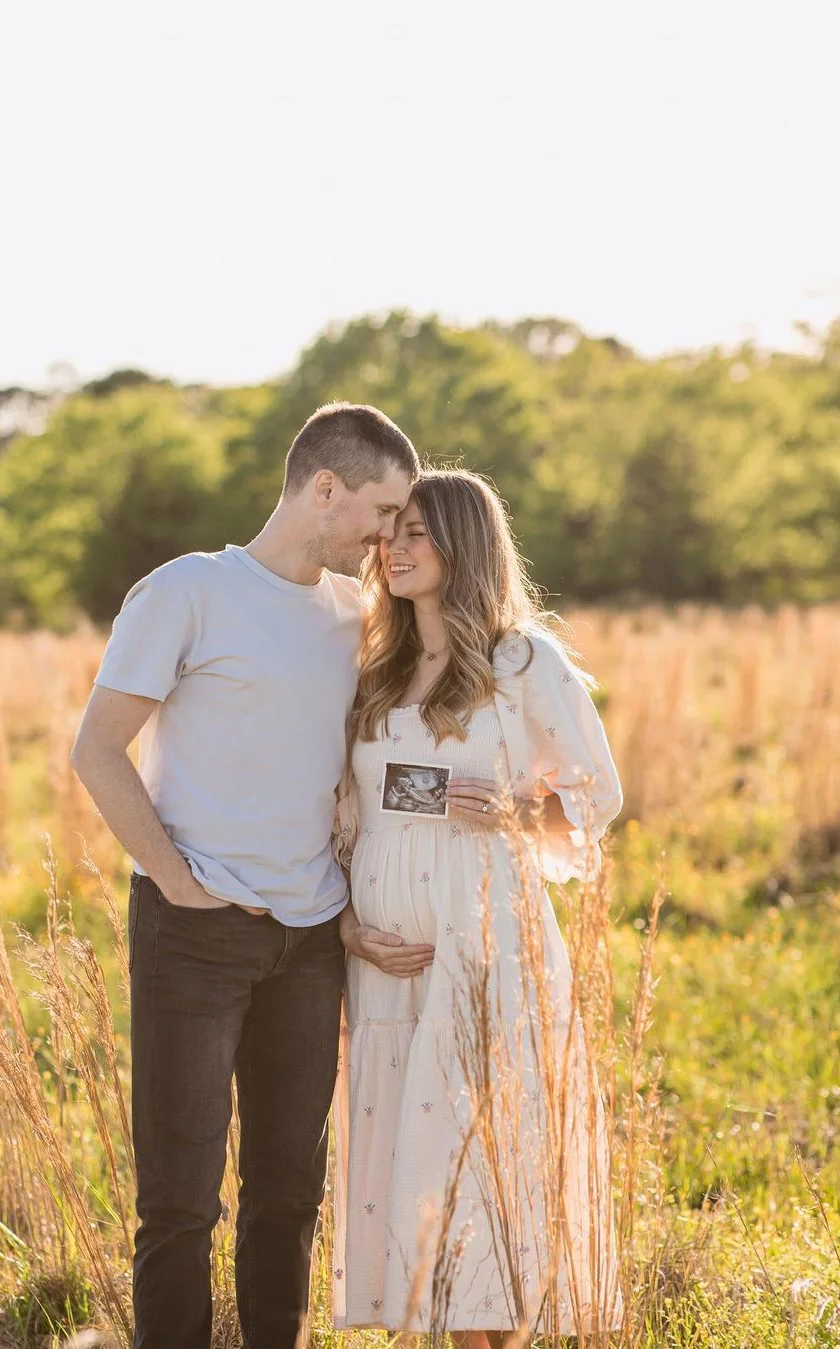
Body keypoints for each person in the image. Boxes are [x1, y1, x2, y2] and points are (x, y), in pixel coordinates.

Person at [70, 402, 419, 1349]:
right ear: (325, 489)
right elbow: (96, 749)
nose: (390, 534)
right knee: (180, 1200)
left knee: (289, 1194)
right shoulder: (187, 593)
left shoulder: (354, 615)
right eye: (383, 510)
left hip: (311, 940)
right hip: (197, 931)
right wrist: (178, 882)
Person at [332, 469, 625, 1346]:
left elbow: (597, 794)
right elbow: (348, 812)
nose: (396, 546)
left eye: (418, 531)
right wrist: (349, 926)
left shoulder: (521, 658)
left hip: (483, 933)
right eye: (391, 530)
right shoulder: (372, 664)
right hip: (385, 954)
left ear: (466, 545)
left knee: (478, 1154)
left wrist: (518, 809)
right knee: (406, 1160)